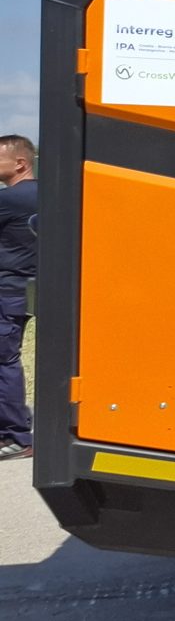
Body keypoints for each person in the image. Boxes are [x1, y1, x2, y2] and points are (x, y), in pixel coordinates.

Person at [0, 134, 36, 461]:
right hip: (26, 290)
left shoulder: (10, 199)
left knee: (4, 361)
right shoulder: (48, 195)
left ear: (20, 163)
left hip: (6, 291)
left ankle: (16, 436)